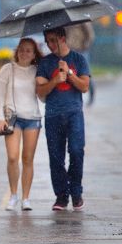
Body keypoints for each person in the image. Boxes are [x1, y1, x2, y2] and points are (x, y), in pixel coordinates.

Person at [36, 26, 91, 212]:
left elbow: (85, 87)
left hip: (74, 113)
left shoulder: (78, 59)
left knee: (76, 151)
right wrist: (54, 81)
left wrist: (69, 74)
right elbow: (40, 92)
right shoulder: (45, 63)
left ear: (62, 38)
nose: (50, 45)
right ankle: (61, 195)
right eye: (47, 42)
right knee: (56, 157)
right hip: (53, 115)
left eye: (53, 40)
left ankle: (76, 192)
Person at [0, 38, 43, 212]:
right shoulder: (8, 69)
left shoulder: (38, 71)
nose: (24, 53)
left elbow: (43, 97)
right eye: (21, 49)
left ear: (34, 54)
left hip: (32, 118)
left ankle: (26, 198)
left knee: (28, 159)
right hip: (12, 119)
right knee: (13, 157)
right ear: (17, 51)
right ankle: (13, 195)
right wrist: (0, 118)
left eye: (28, 50)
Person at [65, 22, 95, 105]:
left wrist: (85, 45)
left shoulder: (82, 21)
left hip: (82, 50)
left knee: (86, 74)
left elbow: (90, 35)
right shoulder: (67, 22)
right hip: (70, 51)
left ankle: (91, 95)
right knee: (70, 74)